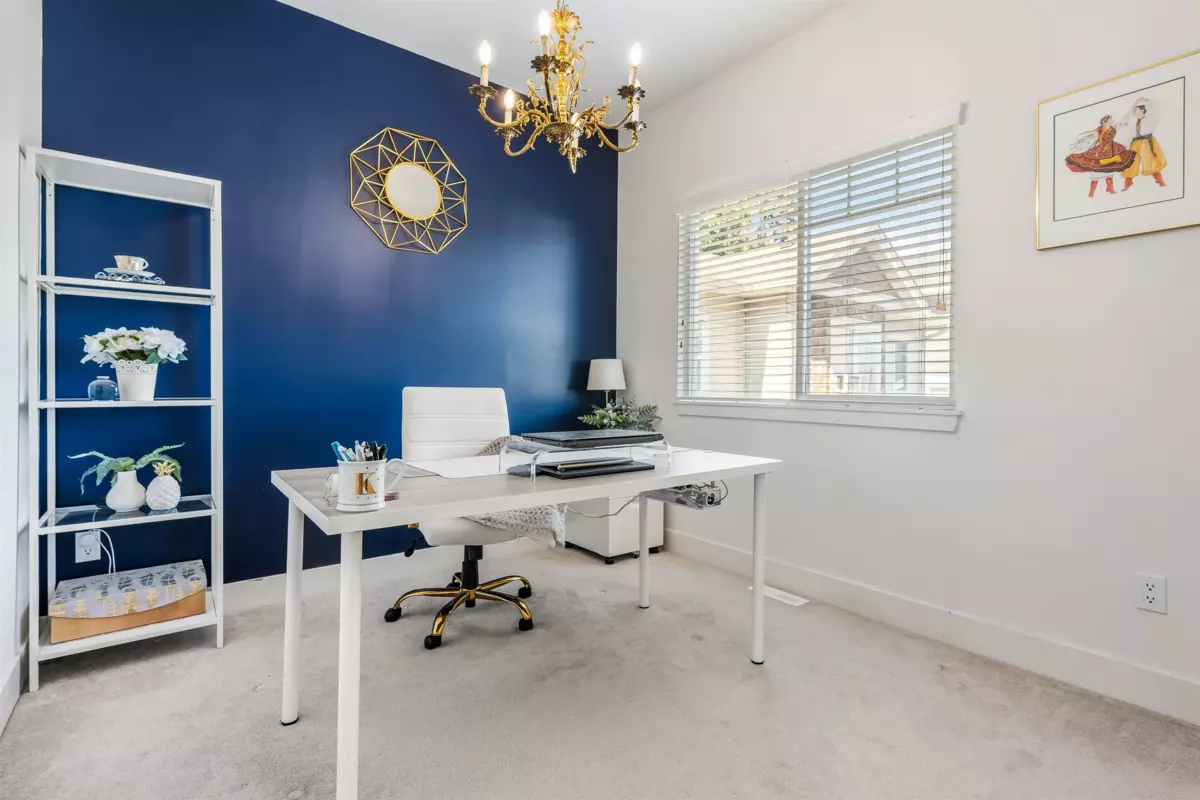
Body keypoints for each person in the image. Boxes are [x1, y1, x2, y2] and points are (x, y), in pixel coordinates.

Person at [1065, 114, 1137, 197]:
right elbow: (1093, 134)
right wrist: (1082, 138)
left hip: (1112, 150)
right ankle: (1091, 193)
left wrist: (1126, 122)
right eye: (1110, 119)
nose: (1112, 120)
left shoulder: (1112, 128)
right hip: (1101, 151)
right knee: (1098, 169)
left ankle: (1110, 189)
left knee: (1109, 169)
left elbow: (1119, 125)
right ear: (1106, 121)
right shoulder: (1100, 129)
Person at [1118, 98, 1167, 190]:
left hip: (1146, 142)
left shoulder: (1150, 118)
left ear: (1142, 110)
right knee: (1131, 162)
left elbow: (1154, 107)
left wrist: (1145, 100)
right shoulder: (1133, 121)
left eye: (1136, 110)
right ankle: (1128, 182)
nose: (1134, 112)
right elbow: (1127, 117)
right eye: (1134, 110)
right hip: (1135, 143)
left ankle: (1160, 180)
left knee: (1151, 161)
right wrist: (1134, 104)